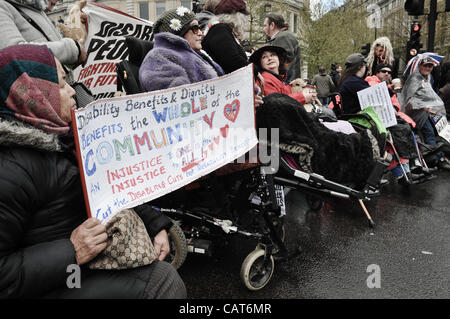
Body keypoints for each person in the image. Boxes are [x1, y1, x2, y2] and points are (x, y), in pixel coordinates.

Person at [0, 44, 187, 298]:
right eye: (63, 84)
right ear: (36, 92)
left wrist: (155, 224)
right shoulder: (10, 168)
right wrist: (71, 251)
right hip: (60, 278)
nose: (73, 93)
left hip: (80, 263)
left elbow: (109, 183)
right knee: (161, 282)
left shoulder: (65, 138)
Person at [139, 7, 224, 93]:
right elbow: (177, 98)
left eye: (200, 28)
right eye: (195, 28)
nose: (200, 33)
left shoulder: (198, 54)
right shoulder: (158, 57)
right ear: (179, 32)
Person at [0, 0, 87, 70]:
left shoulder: (35, 8)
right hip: (38, 89)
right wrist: (72, 50)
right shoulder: (3, 7)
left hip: (60, 87)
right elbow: (14, 53)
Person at [399, 54, 450, 170]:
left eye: (430, 66)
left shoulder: (427, 78)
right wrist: (423, 107)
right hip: (417, 113)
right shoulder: (414, 79)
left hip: (429, 112)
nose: (428, 68)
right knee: (429, 132)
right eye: (426, 66)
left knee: (439, 131)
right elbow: (409, 100)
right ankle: (434, 160)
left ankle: (439, 157)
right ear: (419, 65)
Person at [249, 45, 316, 106]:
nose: (269, 58)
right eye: (264, 57)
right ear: (260, 63)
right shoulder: (265, 79)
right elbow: (275, 103)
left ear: (278, 58)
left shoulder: (279, 78)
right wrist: (303, 97)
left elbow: (284, 93)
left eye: (272, 55)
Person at [200, 0, 249, 74]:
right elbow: (232, 60)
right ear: (236, 16)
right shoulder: (219, 30)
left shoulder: (221, 29)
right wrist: (254, 69)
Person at [263, 12, 301, 82]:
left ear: (272, 25)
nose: (263, 29)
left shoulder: (282, 37)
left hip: (285, 83)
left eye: (265, 26)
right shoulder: (283, 36)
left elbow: (283, 64)